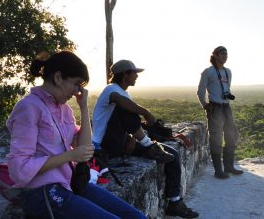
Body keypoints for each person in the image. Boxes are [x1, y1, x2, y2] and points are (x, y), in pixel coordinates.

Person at [6, 51, 146, 218]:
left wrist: (84, 107)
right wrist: (69, 155)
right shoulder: (29, 108)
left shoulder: (64, 109)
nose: (77, 91)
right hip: (41, 191)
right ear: (58, 78)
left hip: (69, 182)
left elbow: (85, 148)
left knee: (136, 216)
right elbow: (19, 168)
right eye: (76, 84)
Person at [92, 59, 199, 218]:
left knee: (172, 155)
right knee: (128, 110)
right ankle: (149, 145)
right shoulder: (111, 90)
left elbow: (125, 120)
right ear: (125, 74)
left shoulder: (124, 93)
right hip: (104, 145)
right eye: (134, 73)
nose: (137, 76)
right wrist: (145, 112)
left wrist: (132, 137)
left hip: (120, 141)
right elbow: (122, 104)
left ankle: (175, 202)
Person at [197, 46, 243, 179]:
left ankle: (229, 166)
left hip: (226, 107)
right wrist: (205, 105)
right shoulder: (208, 72)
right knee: (216, 138)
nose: (225, 56)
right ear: (215, 55)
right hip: (215, 107)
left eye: (226, 54)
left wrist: (228, 95)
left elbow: (226, 88)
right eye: (222, 54)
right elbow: (200, 91)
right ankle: (218, 170)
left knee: (232, 135)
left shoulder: (228, 72)